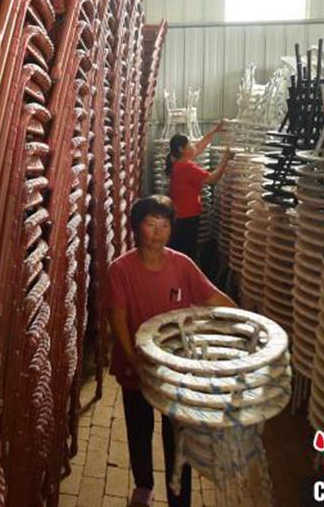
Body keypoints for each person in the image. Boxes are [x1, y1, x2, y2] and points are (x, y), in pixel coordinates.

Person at [107, 195, 237, 507]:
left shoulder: (182, 264)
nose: (158, 232)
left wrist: (245, 322)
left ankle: (180, 497)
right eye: (151, 225)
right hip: (135, 368)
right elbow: (118, 318)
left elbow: (212, 297)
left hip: (176, 372)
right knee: (139, 430)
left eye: (164, 226)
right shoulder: (120, 270)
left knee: (179, 439)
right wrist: (134, 359)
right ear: (137, 228)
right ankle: (143, 486)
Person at [166, 121, 233, 259]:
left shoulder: (178, 163)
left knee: (182, 251)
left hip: (180, 215)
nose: (193, 145)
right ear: (181, 149)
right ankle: (185, 278)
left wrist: (215, 131)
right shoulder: (186, 167)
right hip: (186, 217)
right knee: (187, 252)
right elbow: (212, 179)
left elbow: (200, 146)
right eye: (189, 144)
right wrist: (225, 159)